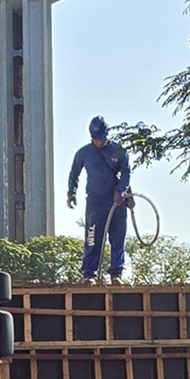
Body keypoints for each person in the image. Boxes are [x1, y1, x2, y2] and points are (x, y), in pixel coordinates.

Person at [66, 116, 132, 284]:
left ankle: (116, 274)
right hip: (95, 201)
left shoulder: (118, 150)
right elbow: (74, 173)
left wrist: (121, 190)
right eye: (95, 138)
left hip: (116, 200)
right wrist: (71, 193)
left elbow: (126, 172)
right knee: (92, 236)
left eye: (100, 138)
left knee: (118, 237)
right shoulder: (84, 152)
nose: (97, 141)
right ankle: (89, 274)